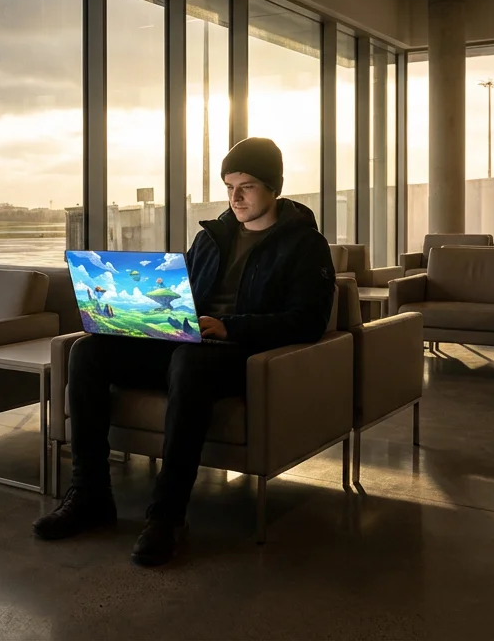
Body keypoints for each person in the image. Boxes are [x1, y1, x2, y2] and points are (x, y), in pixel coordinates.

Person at [32, 137, 336, 566]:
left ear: (273, 187)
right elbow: (182, 296)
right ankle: (91, 495)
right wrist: (135, 313)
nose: (235, 196)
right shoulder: (211, 238)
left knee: (190, 360)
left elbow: (308, 320)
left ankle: (168, 515)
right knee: (89, 352)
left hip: (240, 354)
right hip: (188, 343)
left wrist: (230, 326)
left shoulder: (305, 245)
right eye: (230, 186)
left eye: (246, 186)